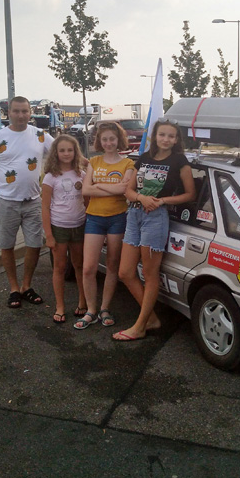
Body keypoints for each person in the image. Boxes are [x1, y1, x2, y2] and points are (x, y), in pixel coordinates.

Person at [113, 119, 195, 341]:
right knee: (125, 272)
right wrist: (141, 198)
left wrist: (162, 201)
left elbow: (190, 194)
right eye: (162, 135)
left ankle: (140, 326)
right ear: (155, 137)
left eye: (171, 136)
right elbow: (129, 191)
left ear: (176, 140)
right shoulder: (144, 158)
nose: (166, 139)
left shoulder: (179, 160)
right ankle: (150, 318)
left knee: (150, 275)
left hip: (156, 217)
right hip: (134, 215)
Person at [0, 96, 54, 310]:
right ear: (9, 113)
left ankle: (26, 286)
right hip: (6, 202)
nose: (21, 115)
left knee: (35, 244)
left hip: (33, 201)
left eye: (25, 111)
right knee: (7, 245)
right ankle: (14, 288)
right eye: (16, 111)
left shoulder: (40, 135)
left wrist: (91, 166)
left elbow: (64, 150)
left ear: (30, 113)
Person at [75, 122, 135, 330]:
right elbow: (85, 191)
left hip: (117, 218)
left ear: (119, 140)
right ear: (99, 141)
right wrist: (112, 187)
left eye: (112, 139)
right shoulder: (94, 161)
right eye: (105, 139)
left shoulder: (128, 163)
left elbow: (125, 190)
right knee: (89, 267)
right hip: (95, 218)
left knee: (112, 266)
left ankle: (105, 308)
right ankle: (91, 310)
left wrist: (98, 185)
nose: (109, 143)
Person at [41, 134, 87, 324]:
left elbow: (87, 200)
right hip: (59, 227)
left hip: (79, 225)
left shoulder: (81, 174)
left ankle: (83, 301)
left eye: (70, 150)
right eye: (62, 150)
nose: (66, 154)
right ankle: (60, 306)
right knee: (59, 268)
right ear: (55, 153)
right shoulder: (50, 177)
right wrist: (49, 235)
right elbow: (45, 207)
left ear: (76, 152)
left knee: (79, 265)